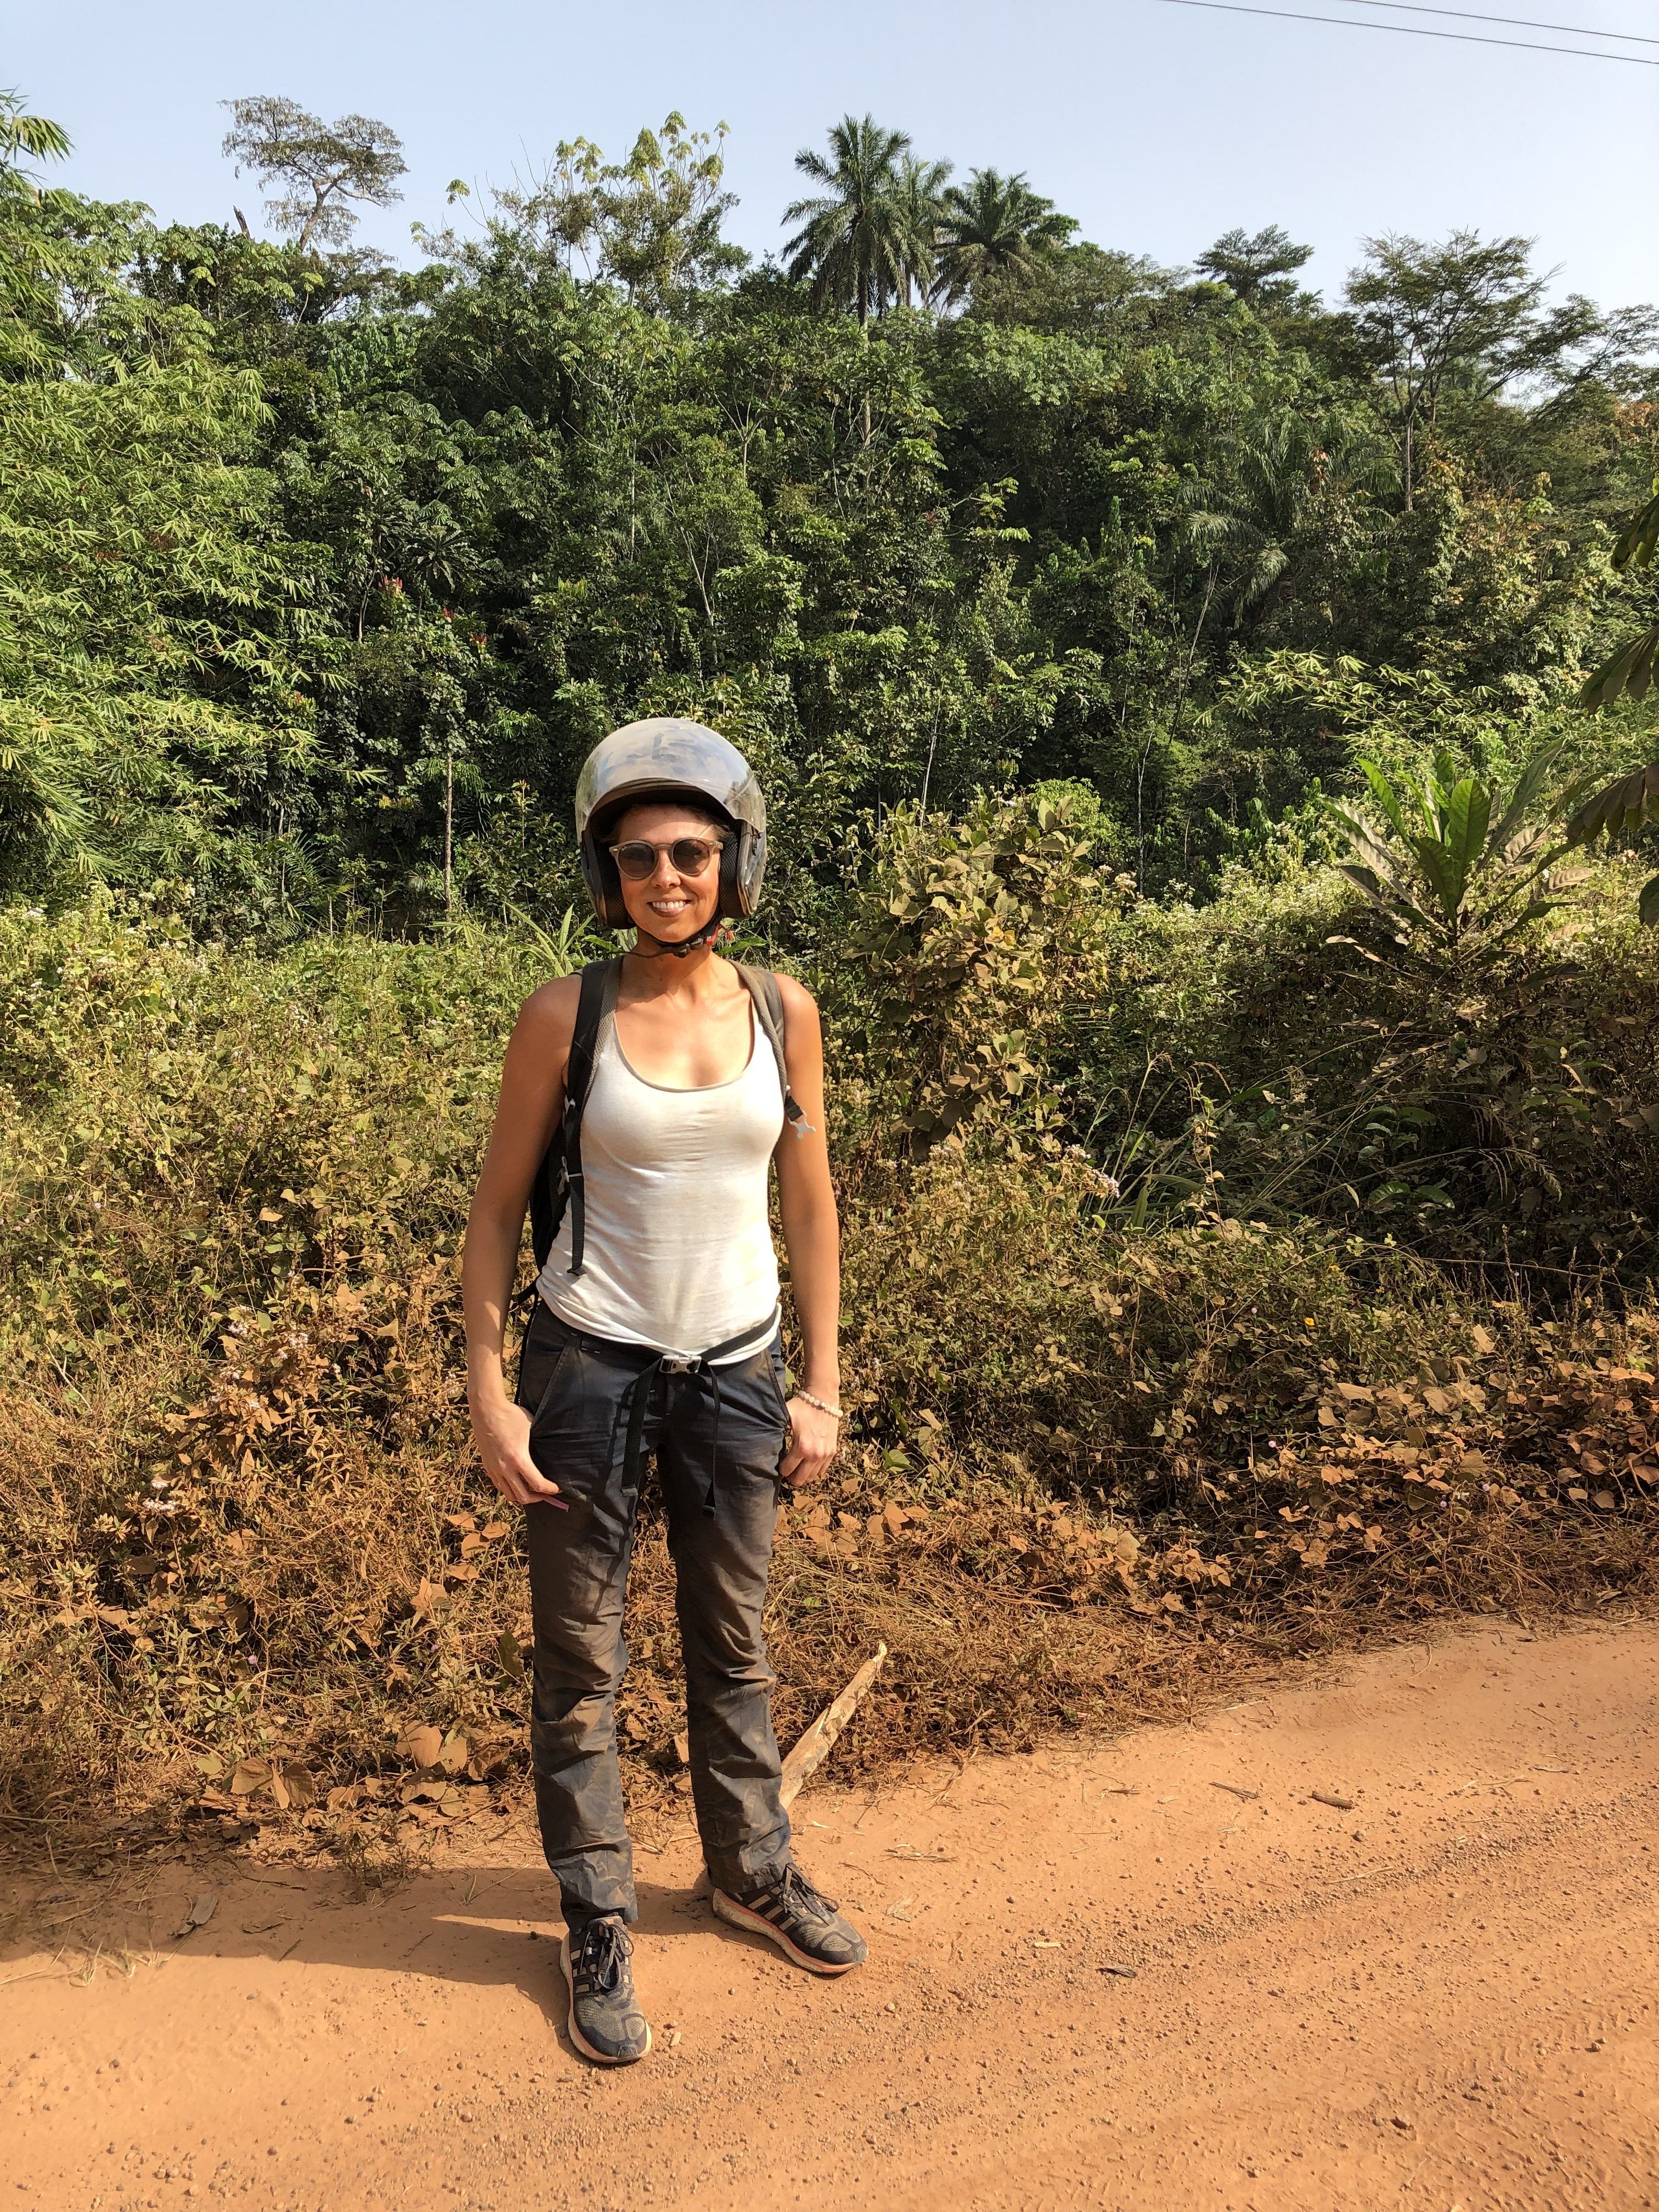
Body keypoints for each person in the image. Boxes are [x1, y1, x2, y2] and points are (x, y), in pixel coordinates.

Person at [462, 718, 866, 2067]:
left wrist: (821, 1384)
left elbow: (809, 1203)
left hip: (739, 1369)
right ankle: (597, 1913)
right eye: (638, 856)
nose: (667, 876)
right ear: (608, 874)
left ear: (735, 862)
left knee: (732, 1640)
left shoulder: (783, 1012)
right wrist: (489, 1391)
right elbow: (495, 1214)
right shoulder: (563, 1016)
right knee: (581, 1658)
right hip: (587, 1368)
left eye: (691, 851)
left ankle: (750, 1870)